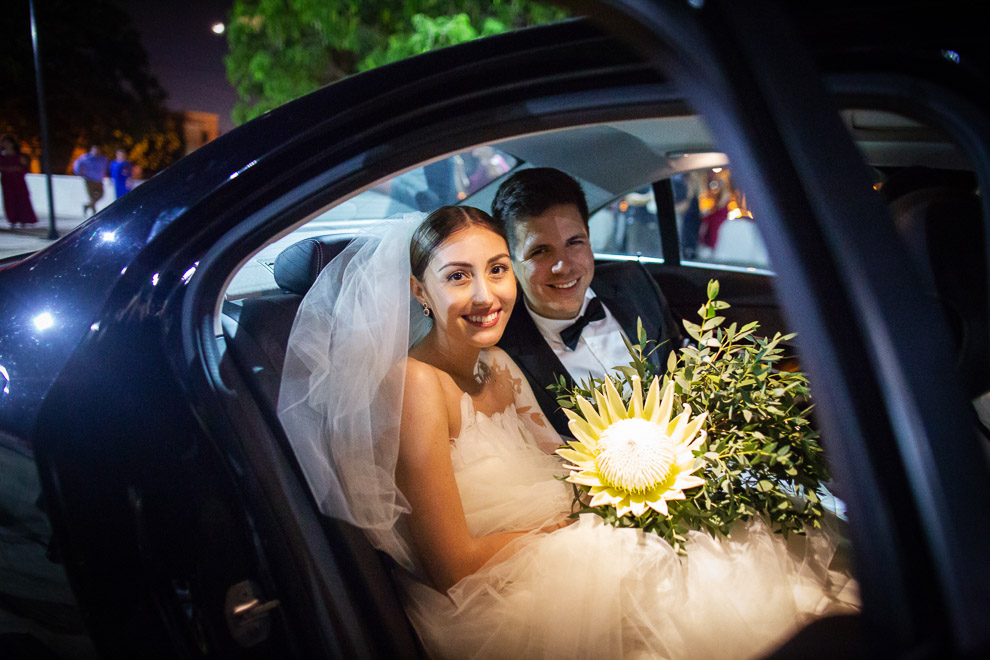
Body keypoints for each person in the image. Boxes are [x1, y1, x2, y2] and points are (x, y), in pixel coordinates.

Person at [278, 207, 858, 659]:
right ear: (419, 291)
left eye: (497, 270)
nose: (487, 296)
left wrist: (643, 473)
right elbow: (451, 566)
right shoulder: (414, 386)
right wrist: (572, 524)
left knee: (733, 538)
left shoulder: (500, 366)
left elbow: (570, 461)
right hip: (495, 594)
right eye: (458, 276)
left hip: (563, 537)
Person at [491, 167, 682, 437]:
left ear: (589, 238)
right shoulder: (502, 354)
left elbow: (679, 355)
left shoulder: (633, 281)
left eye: (574, 242)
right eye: (540, 251)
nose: (564, 266)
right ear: (510, 261)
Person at [0, 134, 38, 228]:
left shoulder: (19, 156)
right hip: (7, 181)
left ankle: (24, 219)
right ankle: (12, 219)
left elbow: (24, 168)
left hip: (18, 181)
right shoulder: (2, 156)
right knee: (9, 199)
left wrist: (16, 169)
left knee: (22, 198)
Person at [72, 146, 109, 217]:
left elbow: (107, 167)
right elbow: (77, 164)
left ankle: (88, 206)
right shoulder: (86, 157)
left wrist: (107, 173)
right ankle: (94, 212)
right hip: (89, 180)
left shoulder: (102, 159)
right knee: (92, 196)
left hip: (99, 180)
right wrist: (79, 173)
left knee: (101, 195)